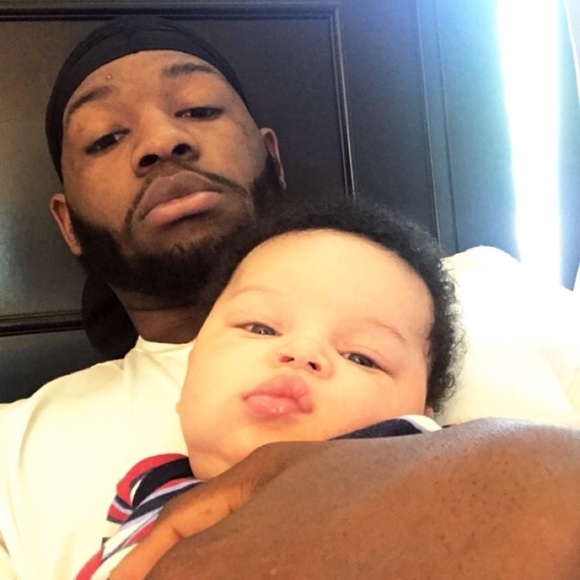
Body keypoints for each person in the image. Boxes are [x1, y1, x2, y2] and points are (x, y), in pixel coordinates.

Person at [0, 14, 578, 580]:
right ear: (68, 223)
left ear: (272, 156)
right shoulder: (17, 448)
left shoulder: (491, 286)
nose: (162, 141)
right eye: (105, 137)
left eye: (199, 109)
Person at [77, 201, 460, 578]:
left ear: (422, 415)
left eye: (361, 357)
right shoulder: (146, 486)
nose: (301, 352)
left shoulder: (420, 470)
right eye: (260, 328)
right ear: (190, 369)